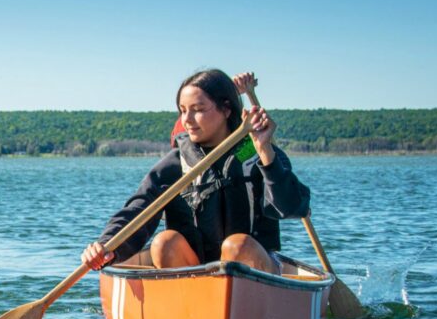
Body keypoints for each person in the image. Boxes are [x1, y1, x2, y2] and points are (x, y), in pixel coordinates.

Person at [81, 69, 310, 274]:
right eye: (182, 111)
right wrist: (106, 245)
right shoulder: (175, 163)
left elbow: (292, 207)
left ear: (226, 109)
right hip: (194, 271)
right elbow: (138, 210)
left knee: (237, 246)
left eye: (198, 110)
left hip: (254, 270)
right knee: (165, 242)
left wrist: (265, 152)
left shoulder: (258, 151)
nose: (187, 120)